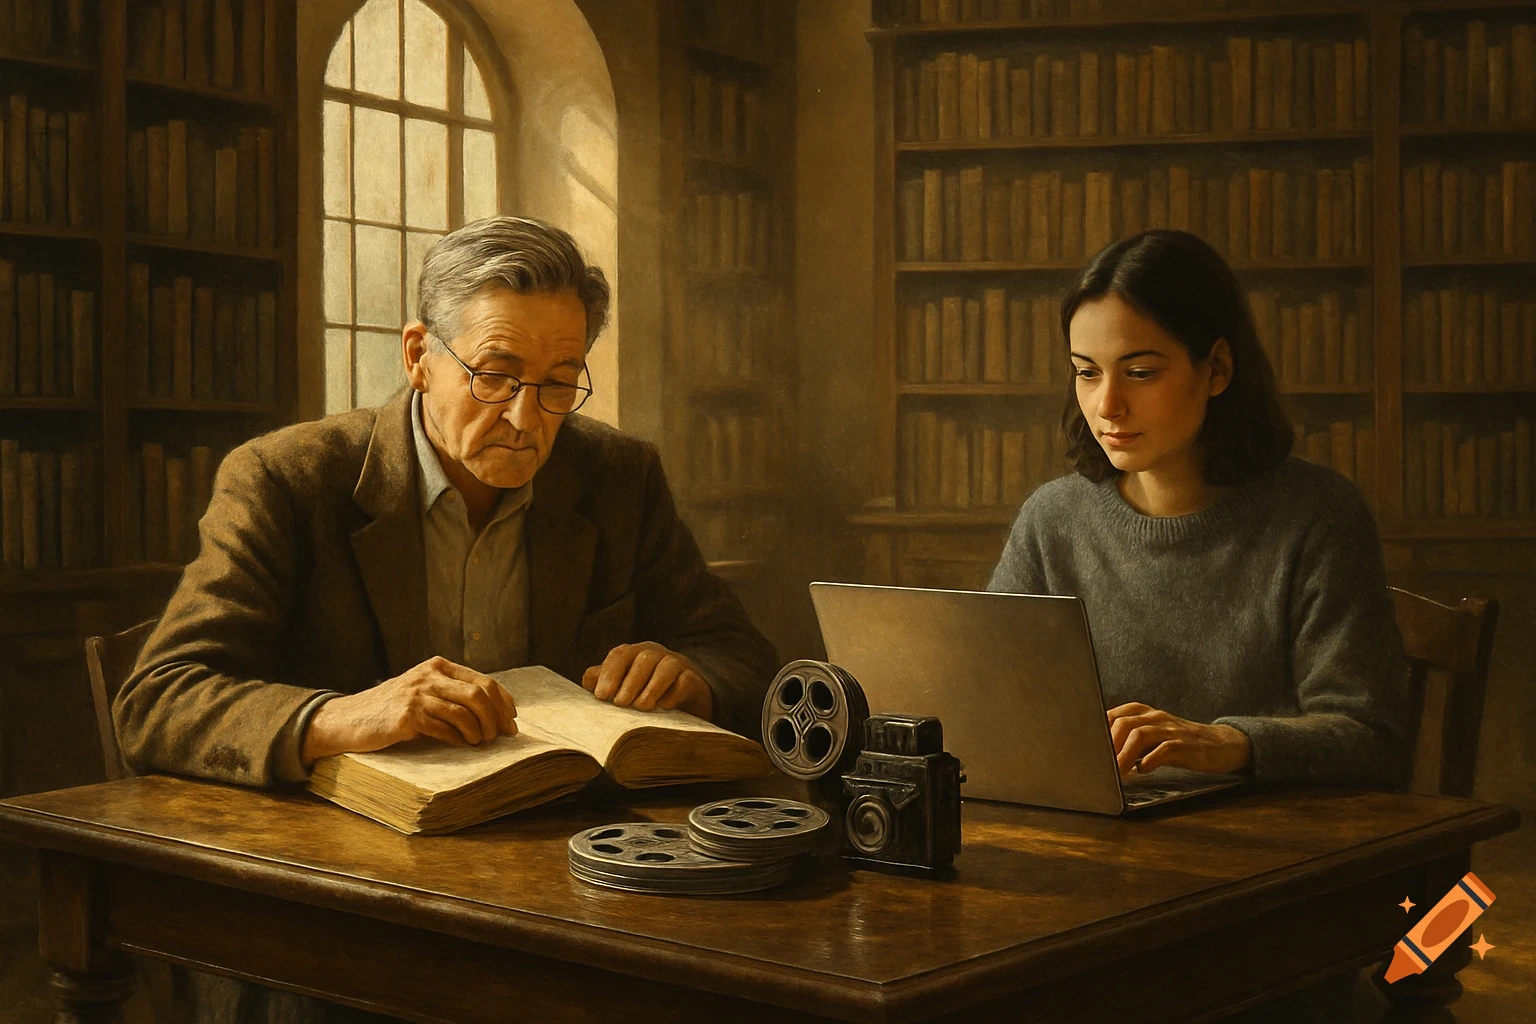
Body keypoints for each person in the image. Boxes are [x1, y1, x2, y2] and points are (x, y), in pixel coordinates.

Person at [115, 215, 778, 789]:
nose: (525, 417)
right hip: (350, 861)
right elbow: (158, 701)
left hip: (565, 841)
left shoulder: (618, 475)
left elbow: (744, 659)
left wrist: (692, 677)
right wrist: (351, 716)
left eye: (558, 384)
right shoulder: (286, 479)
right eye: (494, 375)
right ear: (418, 356)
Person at [987, 229, 1409, 791]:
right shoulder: (1052, 519)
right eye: (1087, 372)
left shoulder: (1318, 516)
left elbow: (1371, 739)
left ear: (1217, 370)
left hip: (1273, 851)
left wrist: (1229, 743)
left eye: (1140, 372)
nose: (1107, 405)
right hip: (1106, 841)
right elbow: (984, 700)